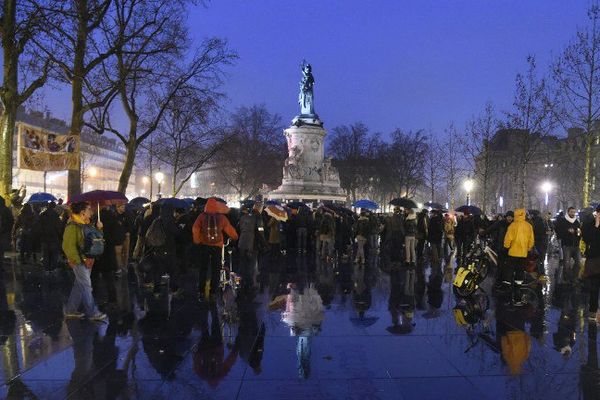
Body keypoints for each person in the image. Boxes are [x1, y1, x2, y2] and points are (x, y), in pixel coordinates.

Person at [62, 201, 106, 320]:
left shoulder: (87, 225)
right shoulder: (73, 226)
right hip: (80, 261)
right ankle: (93, 313)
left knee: (79, 285)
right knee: (86, 286)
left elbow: (97, 240)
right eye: (88, 209)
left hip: (88, 260)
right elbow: (68, 246)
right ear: (82, 213)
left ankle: (70, 310)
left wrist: (99, 229)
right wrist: (78, 261)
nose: (91, 211)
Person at [192, 198, 238, 302]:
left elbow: (195, 228)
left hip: (205, 245)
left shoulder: (202, 216)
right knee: (215, 270)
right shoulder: (221, 217)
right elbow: (229, 229)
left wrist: (197, 240)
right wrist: (235, 236)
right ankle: (213, 293)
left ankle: (201, 292)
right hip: (217, 246)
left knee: (203, 269)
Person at [503, 208, 535, 305]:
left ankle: (507, 289)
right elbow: (531, 240)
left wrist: (506, 247)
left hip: (513, 252)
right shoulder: (528, 226)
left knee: (509, 269)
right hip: (523, 253)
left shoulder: (513, 226)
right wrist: (528, 248)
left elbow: (508, 238)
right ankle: (518, 291)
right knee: (520, 270)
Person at [554, 207, 582, 284]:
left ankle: (574, 277)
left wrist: (577, 232)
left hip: (576, 245)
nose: (573, 213)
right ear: (568, 212)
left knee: (579, 263)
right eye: (571, 212)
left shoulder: (576, 221)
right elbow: (559, 231)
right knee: (566, 263)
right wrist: (567, 231)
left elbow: (579, 232)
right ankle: (566, 279)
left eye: (574, 212)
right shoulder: (563, 221)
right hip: (567, 245)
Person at [582, 205, 600, 323]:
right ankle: (593, 311)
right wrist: (596, 226)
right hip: (594, 259)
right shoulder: (589, 223)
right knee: (594, 286)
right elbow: (588, 239)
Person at [38, 202, 63, 272]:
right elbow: (59, 228)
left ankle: (46, 269)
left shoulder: (42, 215)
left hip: (44, 239)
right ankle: (52, 269)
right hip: (54, 238)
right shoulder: (56, 216)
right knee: (54, 255)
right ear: (54, 207)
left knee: (45, 254)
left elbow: (39, 227)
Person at [0, 197, 14, 269]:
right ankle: (1, 266)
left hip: (3, 233)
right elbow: (11, 221)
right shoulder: (7, 210)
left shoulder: (4, 210)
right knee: (1, 251)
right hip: (4, 234)